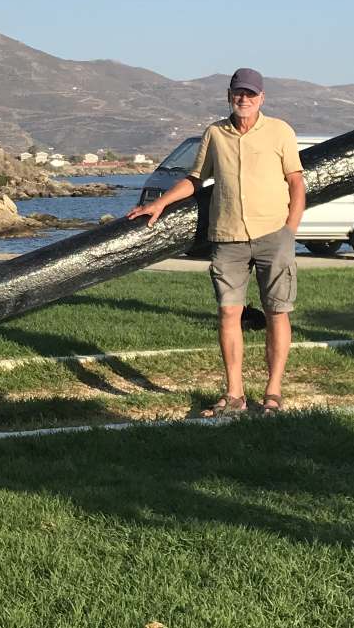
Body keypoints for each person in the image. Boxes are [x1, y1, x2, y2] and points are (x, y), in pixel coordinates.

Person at [128, 68, 305, 415]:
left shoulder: (280, 131)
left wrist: (290, 229)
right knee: (228, 312)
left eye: (250, 94)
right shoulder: (215, 133)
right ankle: (235, 393)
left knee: (277, 312)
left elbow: (296, 182)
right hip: (227, 236)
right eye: (239, 93)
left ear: (262, 98)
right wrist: (160, 203)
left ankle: (273, 392)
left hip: (273, 234)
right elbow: (195, 178)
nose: (244, 99)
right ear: (229, 95)